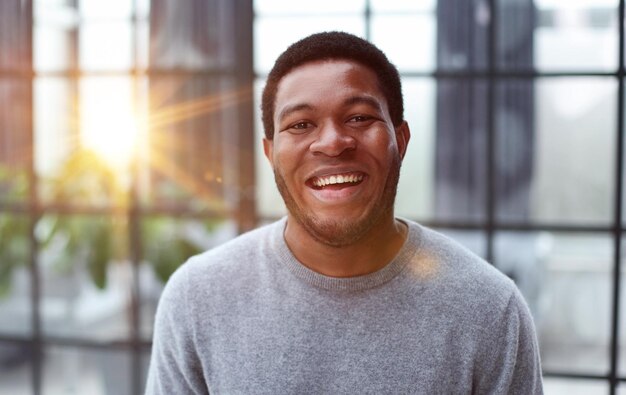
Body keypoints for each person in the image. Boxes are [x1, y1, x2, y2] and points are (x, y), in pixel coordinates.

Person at [145, 31, 543, 394]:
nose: (333, 142)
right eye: (301, 124)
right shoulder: (197, 298)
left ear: (400, 140)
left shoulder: (490, 309)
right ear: (270, 155)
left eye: (359, 117)